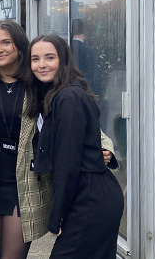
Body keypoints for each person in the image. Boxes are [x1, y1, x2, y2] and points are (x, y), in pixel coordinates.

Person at [0, 21, 115, 259]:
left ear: (19, 46)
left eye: (6, 42)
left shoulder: (38, 84)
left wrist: (105, 147)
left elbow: (83, 122)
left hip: (26, 184)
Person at [26, 34, 123, 259]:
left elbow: (67, 162)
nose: (41, 65)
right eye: (35, 59)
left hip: (90, 197)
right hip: (88, 193)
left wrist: (56, 216)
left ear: (63, 60)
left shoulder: (68, 97)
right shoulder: (58, 93)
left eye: (49, 57)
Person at [70, 18, 101, 95]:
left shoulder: (66, 48)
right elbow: (92, 74)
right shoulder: (87, 50)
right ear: (84, 31)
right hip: (85, 89)